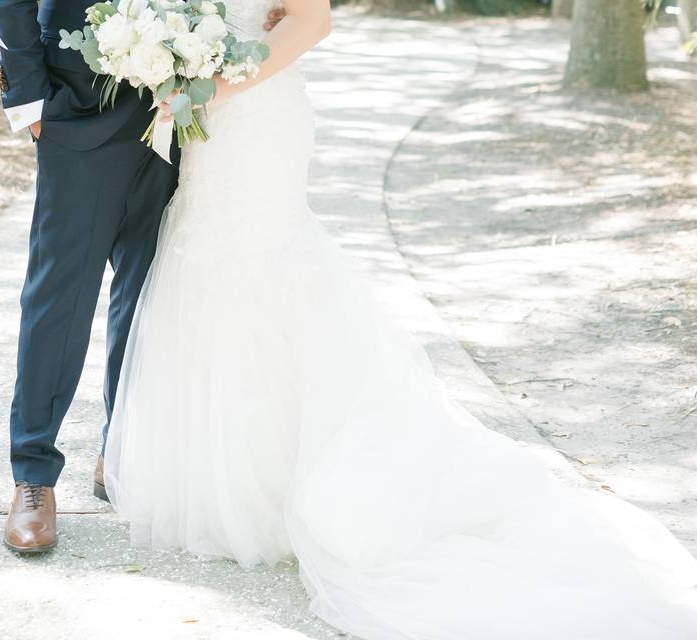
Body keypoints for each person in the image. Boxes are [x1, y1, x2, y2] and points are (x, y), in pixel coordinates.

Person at [103, 0, 697, 637]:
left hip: (255, 116)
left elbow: (312, 21)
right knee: (204, 261)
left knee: (260, 267)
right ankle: (221, 487)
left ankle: (283, 484)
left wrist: (216, 85)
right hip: (204, 129)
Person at [0, 0, 285, 553]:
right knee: (60, 294)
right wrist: (27, 94)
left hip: (182, 102)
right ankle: (33, 476)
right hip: (76, 102)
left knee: (151, 289)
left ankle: (119, 452)